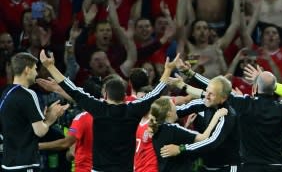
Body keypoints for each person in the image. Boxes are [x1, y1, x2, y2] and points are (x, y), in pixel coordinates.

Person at [39, 50, 177, 172]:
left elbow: (73, 90)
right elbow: (156, 93)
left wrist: (50, 66)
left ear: (105, 96)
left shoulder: (98, 108)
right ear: (124, 97)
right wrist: (168, 70)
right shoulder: (134, 109)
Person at [0, 52, 69, 172]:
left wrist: (45, 116)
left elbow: (20, 126)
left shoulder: (6, 92)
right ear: (27, 69)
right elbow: (40, 131)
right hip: (25, 163)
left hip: (8, 162)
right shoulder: (28, 94)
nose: (36, 73)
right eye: (35, 69)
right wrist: (52, 116)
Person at [151, 97, 228, 172]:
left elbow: (175, 138)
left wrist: (186, 126)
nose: (176, 107)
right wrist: (216, 116)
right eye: (173, 105)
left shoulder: (156, 128)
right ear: (169, 113)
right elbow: (203, 137)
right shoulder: (173, 129)